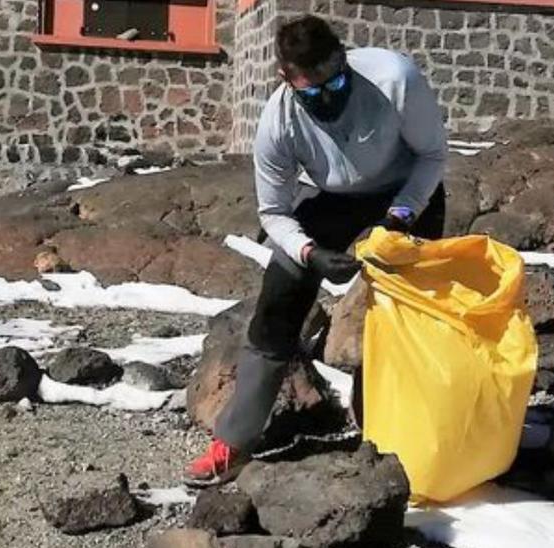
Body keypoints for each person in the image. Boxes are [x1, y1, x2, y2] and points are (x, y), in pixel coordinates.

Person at [184, 15, 449, 486]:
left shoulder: (394, 78)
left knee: (412, 311)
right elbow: (273, 213)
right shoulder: (277, 123)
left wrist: (403, 214)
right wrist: (309, 253)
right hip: (327, 199)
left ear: (343, 59)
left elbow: (432, 155)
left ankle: (392, 429)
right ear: (287, 79)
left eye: (336, 82)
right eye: (312, 92)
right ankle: (236, 439)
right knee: (278, 300)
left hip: (405, 193)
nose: (328, 99)